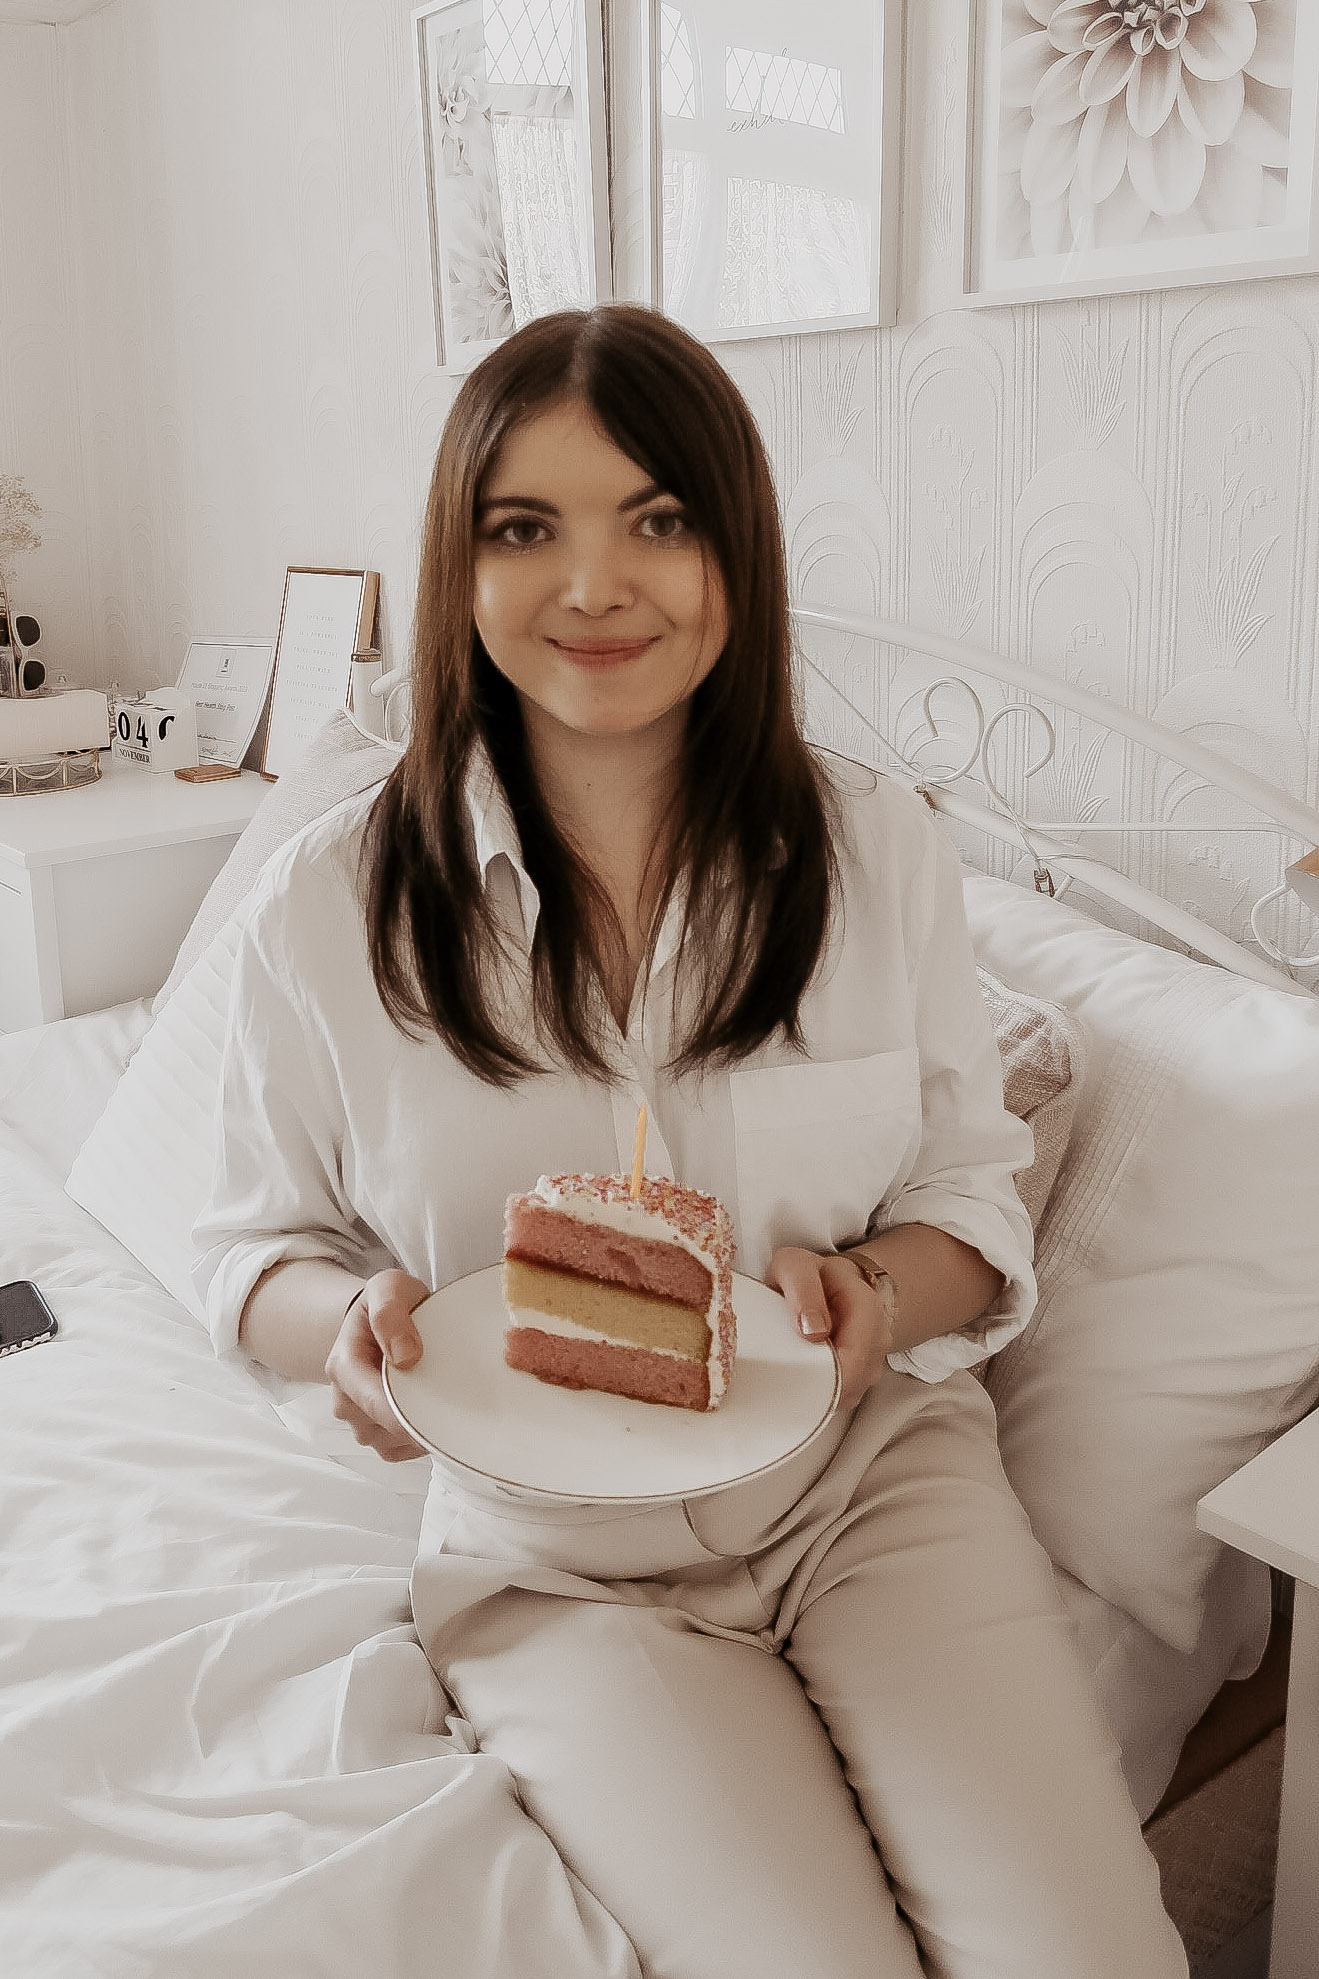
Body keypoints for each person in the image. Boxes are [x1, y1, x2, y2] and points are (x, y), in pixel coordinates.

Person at [193, 305, 1187, 1979]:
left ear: (736, 549)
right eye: (527, 529)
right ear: (461, 565)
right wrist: (347, 1339)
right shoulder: (330, 908)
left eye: (658, 519)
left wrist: (877, 1289)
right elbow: (250, 1250)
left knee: (1087, 1958)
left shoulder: (875, 851)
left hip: (869, 1489)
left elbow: (962, 1188)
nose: (597, 586)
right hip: (553, 1565)